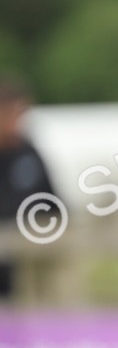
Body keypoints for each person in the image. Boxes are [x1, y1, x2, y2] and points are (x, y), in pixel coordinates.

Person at [0, 77, 56, 298]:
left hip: (28, 259)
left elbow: (53, 200)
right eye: (13, 114)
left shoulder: (27, 151)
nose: (18, 122)